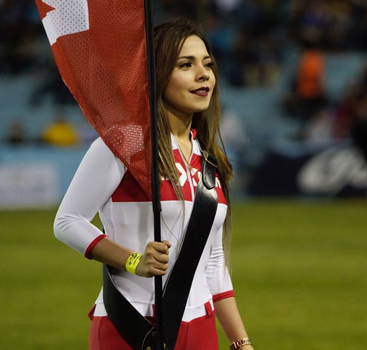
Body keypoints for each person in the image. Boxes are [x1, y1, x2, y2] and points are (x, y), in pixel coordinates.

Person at [53, 19, 254, 350]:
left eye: (207, 65)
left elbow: (214, 263)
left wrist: (241, 342)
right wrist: (133, 260)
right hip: (132, 326)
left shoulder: (209, 157)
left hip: (202, 330)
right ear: (157, 74)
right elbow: (67, 221)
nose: (203, 74)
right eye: (185, 65)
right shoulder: (123, 144)